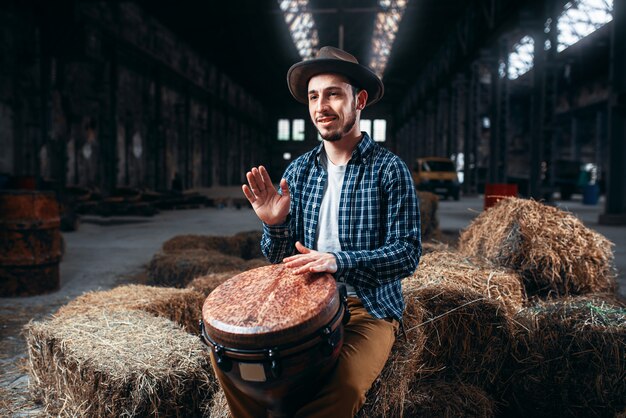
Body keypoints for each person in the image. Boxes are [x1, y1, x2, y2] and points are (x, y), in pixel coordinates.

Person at [216, 46, 421, 417]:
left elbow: (407, 252)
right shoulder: (298, 172)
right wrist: (275, 224)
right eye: (313, 96)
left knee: (340, 388)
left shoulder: (390, 170)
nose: (321, 106)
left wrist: (337, 263)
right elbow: (281, 260)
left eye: (333, 94)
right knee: (230, 364)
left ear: (359, 100)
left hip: (367, 308)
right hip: (302, 305)